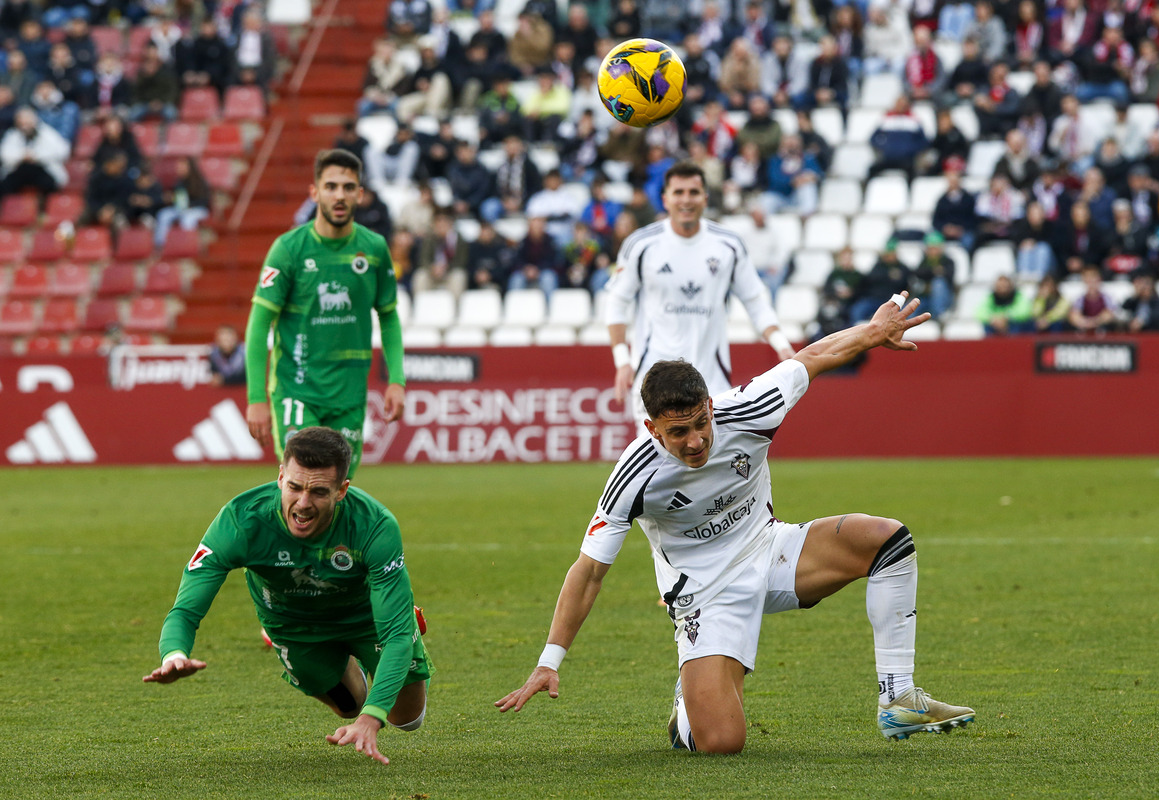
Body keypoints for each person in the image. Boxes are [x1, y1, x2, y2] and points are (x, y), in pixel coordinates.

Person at [496, 293, 975, 751]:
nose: (695, 441)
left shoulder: (750, 408)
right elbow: (589, 572)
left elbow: (811, 358)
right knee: (723, 743)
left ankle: (898, 697)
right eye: (677, 433)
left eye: (700, 423)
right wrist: (548, 661)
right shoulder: (633, 475)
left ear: (709, 406)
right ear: (652, 429)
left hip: (769, 550)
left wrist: (871, 333)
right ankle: (689, 705)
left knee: (886, 539)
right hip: (704, 593)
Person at [143, 427, 431, 766]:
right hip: (294, 626)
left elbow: (395, 635)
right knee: (348, 706)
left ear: (342, 490)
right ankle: (342, 664)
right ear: (281, 477)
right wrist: (173, 653)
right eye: (294, 487)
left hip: (366, 617)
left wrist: (372, 718)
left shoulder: (375, 526)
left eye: (319, 492)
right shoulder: (241, 521)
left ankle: (393, 617)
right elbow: (186, 609)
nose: (303, 503)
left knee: (407, 719)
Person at [244, 149, 406, 479]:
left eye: (348, 187)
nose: (339, 195)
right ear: (314, 192)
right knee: (303, 484)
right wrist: (256, 398)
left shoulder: (373, 248)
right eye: (331, 186)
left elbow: (388, 316)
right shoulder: (288, 250)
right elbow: (259, 325)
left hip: (349, 396)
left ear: (360, 194)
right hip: (298, 390)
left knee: (336, 492)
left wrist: (397, 380)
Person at [604, 161, 795, 426]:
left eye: (693, 192)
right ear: (665, 199)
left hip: (710, 379)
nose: (686, 200)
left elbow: (755, 299)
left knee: (709, 463)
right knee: (659, 463)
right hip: (652, 378)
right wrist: (622, 360)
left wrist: (782, 345)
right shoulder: (642, 244)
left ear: (705, 198)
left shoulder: (728, 245)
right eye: (678, 192)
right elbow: (616, 302)